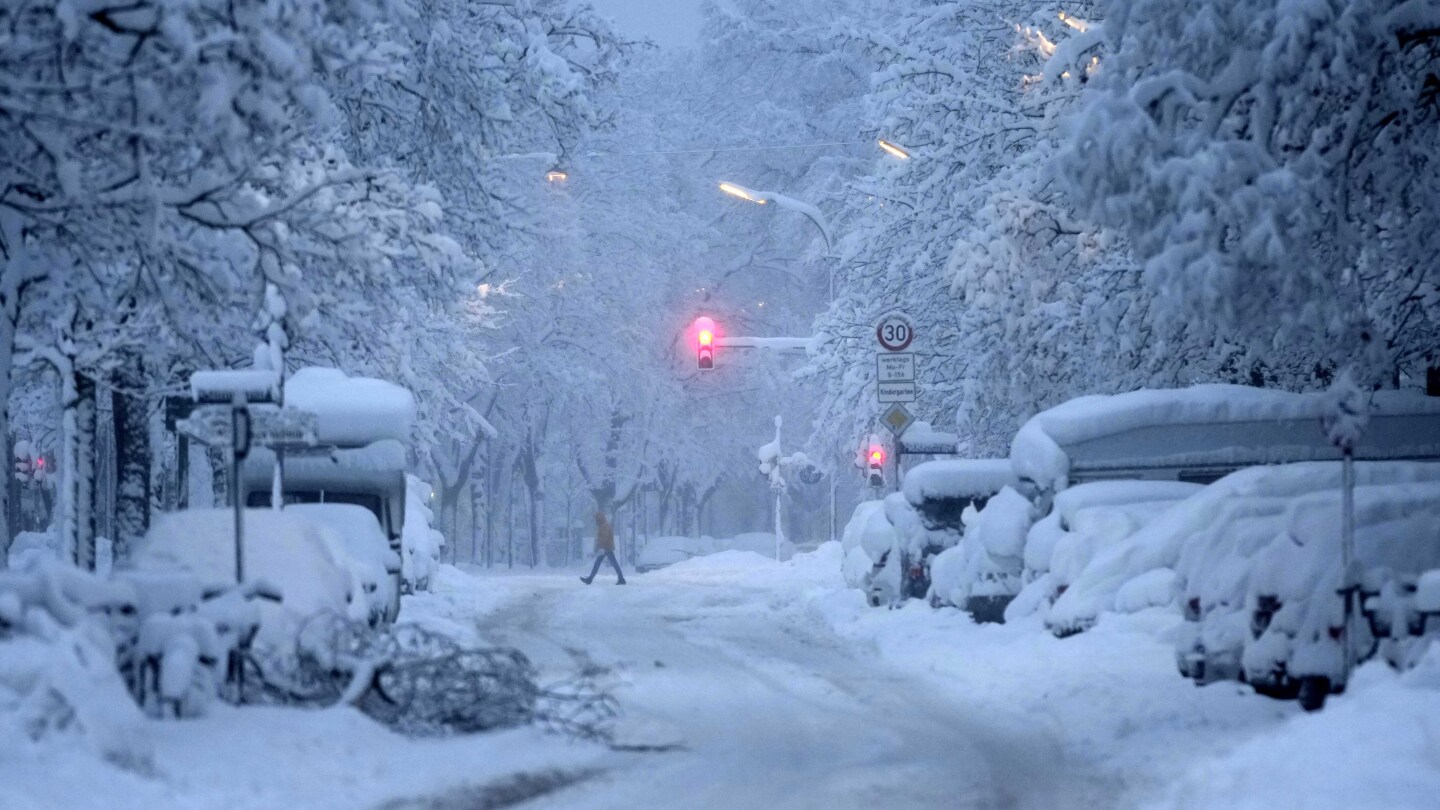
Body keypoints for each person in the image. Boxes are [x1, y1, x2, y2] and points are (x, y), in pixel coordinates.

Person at [580, 510, 626, 585]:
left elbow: (604, 537)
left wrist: (599, 546)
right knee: (605, 563)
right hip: (606, 548)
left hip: (606, 548)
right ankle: (590, 579)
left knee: (609, 563)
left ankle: (621, 579)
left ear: (599, 518)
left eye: (596, 518)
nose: (595, 520)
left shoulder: (604, 526)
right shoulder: (603, 525)